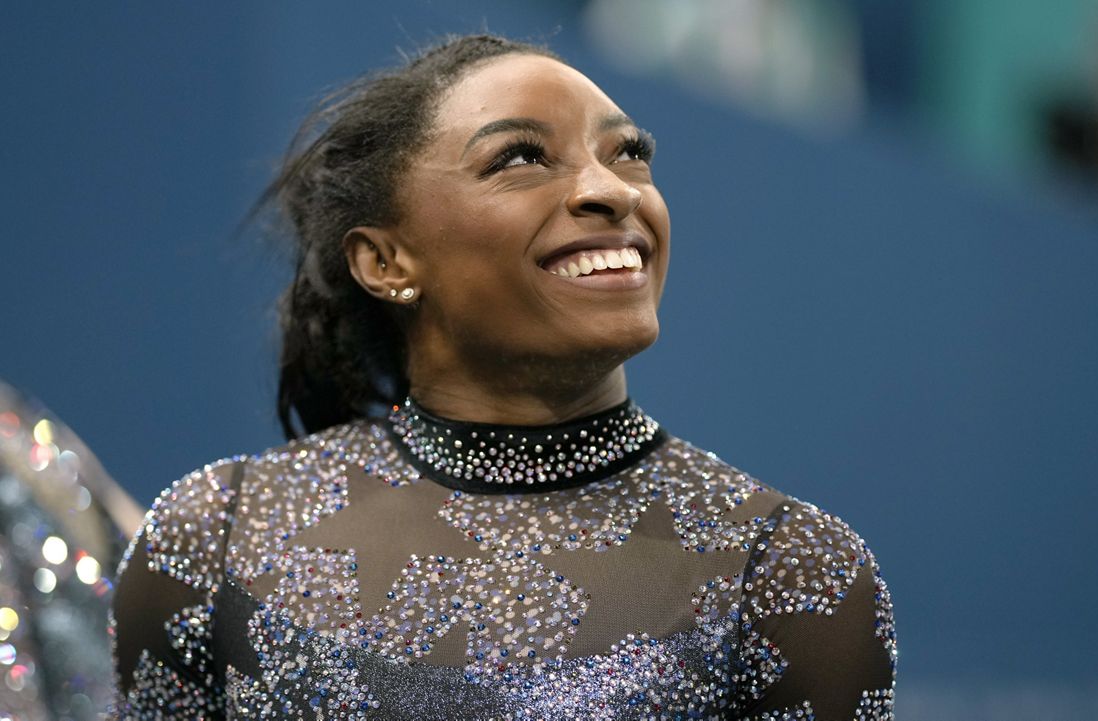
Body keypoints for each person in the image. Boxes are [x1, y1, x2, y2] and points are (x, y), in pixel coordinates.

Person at [110, 34, 897, 719]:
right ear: (387, 261)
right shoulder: (214, 539)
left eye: (629, 153)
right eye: (519, 158)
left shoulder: (789, 574)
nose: (611, 189)